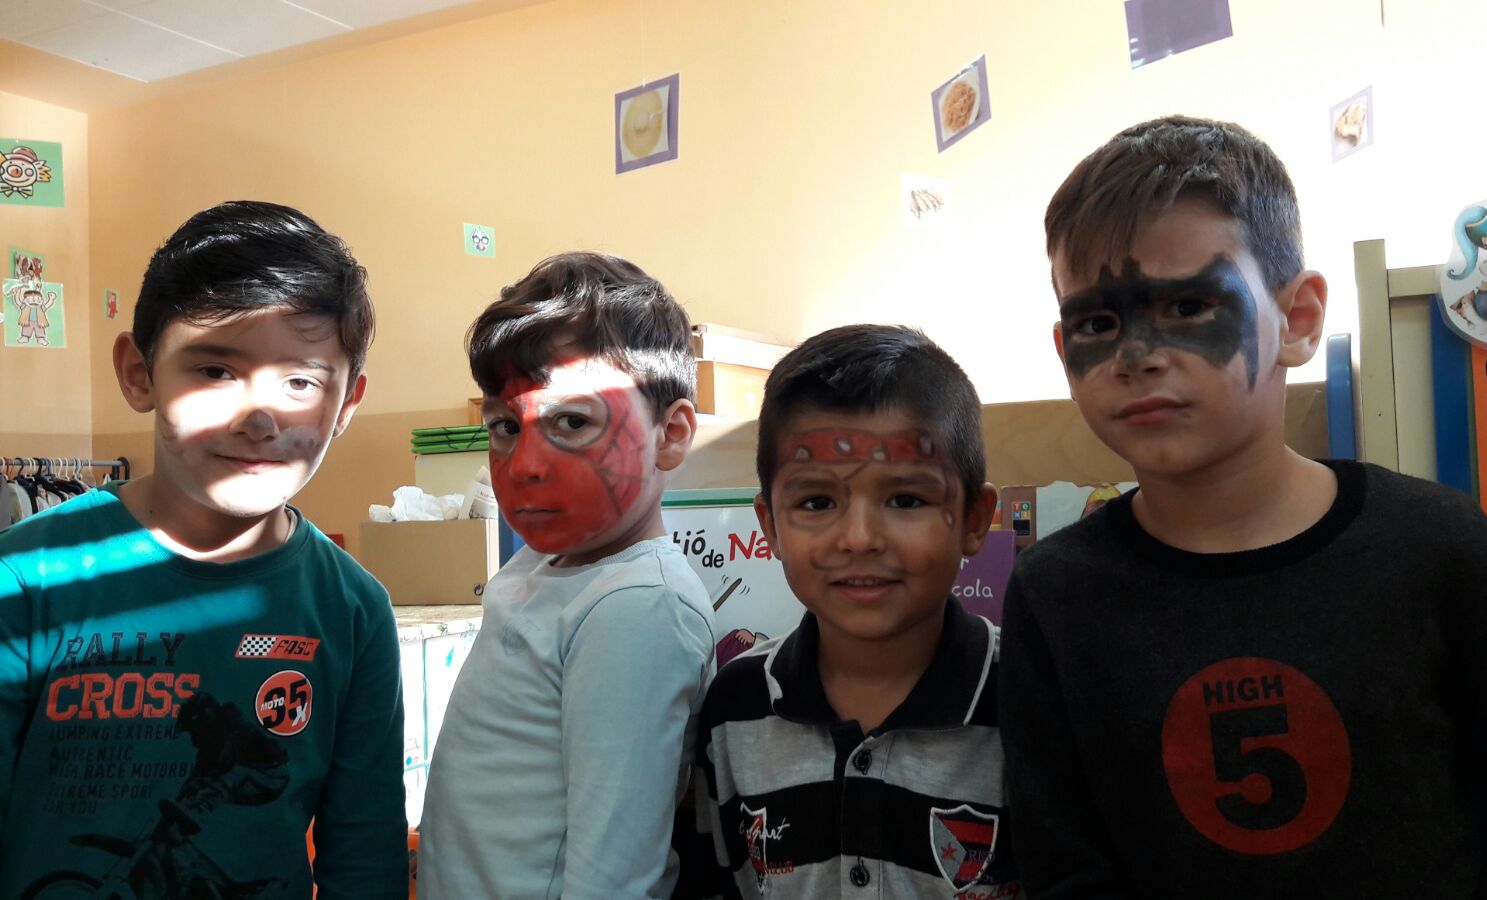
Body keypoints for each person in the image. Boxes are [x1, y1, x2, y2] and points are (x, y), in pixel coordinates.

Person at [999, 114, 1487, 897]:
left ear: (1298, 320)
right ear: (1063, 349)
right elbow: (1063, 866)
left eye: (1187, 308)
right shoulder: (1055, 594)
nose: (1136, 357)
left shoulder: (1435, 546)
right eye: (1098, 323)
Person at [0, 200, 407, 897]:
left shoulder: (352, 609)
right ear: (139, 373)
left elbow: (365, 857)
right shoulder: (27, 578)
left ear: (345, 405)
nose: (260, 417)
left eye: (302, 381)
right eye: (216, 370)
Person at [684, 324, 1023, 898]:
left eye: (906, 499)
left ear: (973, 519)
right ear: (770, 527)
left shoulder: (1030, 697)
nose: (859, 538)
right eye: (817, 501)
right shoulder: (734, 707)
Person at [418, 252, 716, 900]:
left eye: (573, 422)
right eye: (505, 426)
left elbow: (614, 878)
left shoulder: (636, 608)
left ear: (670, 435)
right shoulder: (542, 562)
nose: (524, 464)